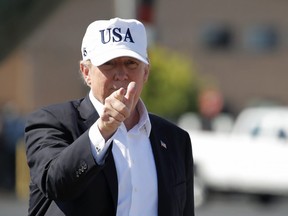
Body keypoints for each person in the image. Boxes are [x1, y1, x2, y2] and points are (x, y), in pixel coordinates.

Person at [25, 17, 194, 216]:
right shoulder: (51, 122)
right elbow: (55, 183)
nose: (121, 74)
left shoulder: (174, 139)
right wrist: (102, 130)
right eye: (109, 63)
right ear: (86, 72)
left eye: (131, 63)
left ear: (146, 72)